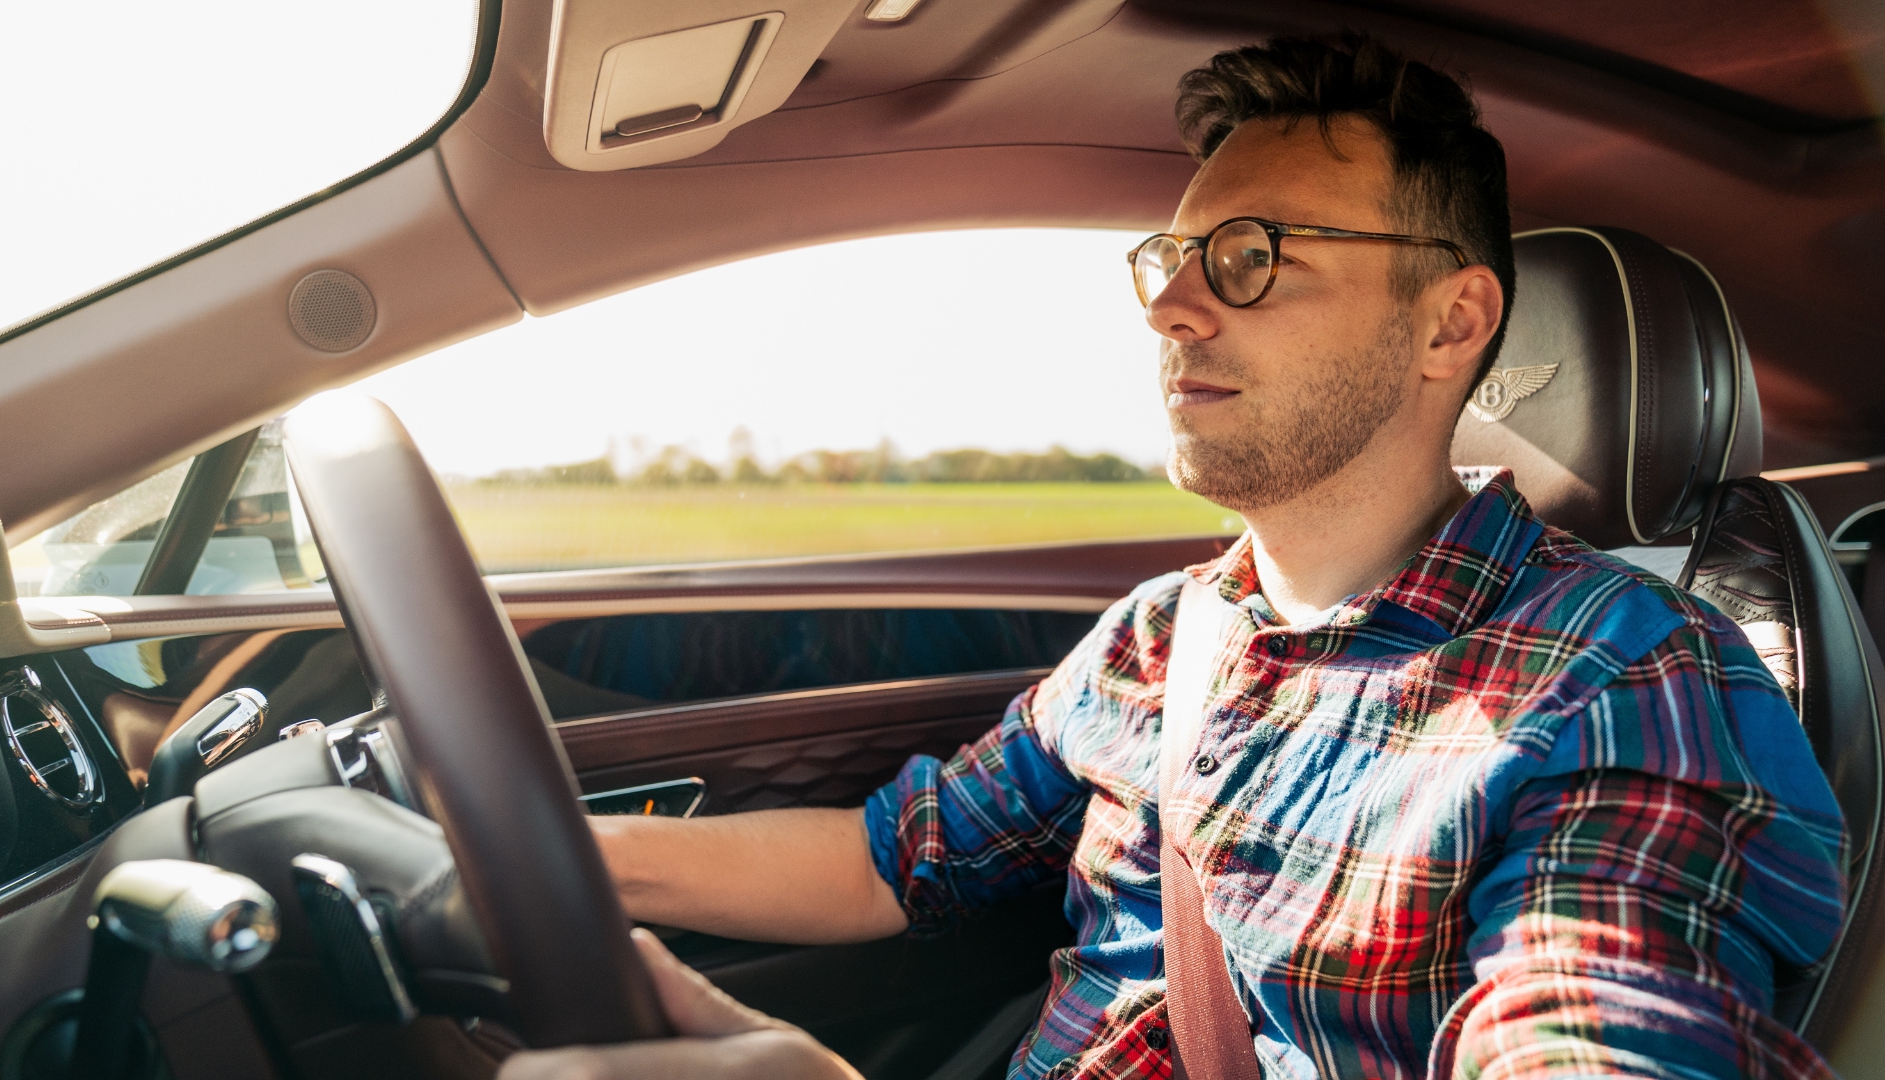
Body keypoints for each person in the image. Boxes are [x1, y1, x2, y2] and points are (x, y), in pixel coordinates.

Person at [504, 33, 1846, 1080]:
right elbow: (890, 860)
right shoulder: (1162, 636)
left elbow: (1592, 1024)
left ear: (1449, 325)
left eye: (1253, 256)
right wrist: (546, 861)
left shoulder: (1624, 680)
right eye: (1177, 256)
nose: (1173, 306)